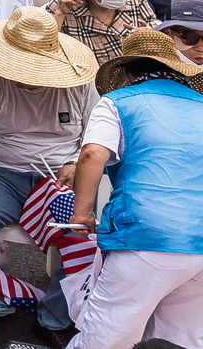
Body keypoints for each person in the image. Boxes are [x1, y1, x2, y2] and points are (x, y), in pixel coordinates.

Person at [0, 5, 99, 349]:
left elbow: (96, 133)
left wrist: (77, 162)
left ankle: (55, 317)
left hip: (58, 177)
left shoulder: (79, 83)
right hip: (1, 168)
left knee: (85, 241)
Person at [64, 29, 203, 349]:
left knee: (106, 337)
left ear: (127, 71)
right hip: (200, 240)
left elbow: (92, 154)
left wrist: (82, 213)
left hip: (146, 236)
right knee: (181, 341)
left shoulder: (117, 101)